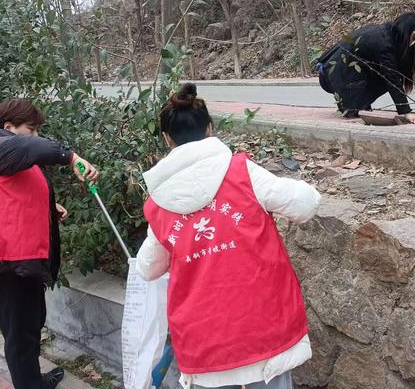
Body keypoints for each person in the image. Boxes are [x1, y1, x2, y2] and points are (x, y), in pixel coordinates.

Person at [135, 83, 321, 389]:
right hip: (264, 334)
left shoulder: (159, 204)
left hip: (204, 345)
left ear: (167, 139)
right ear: (210, 129)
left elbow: (147, 268)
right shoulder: (243, 173)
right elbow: (306, 204)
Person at [0, 99, 99, 389]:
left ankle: (35, 381)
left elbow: (7, 195)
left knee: (30, 326)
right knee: (20, 336)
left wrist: (48, 207)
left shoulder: (9, 159)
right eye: (30, 129)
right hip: (5, 264)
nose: (35, 136)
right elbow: (30, 148)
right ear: (9, 128)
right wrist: (69, 156)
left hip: (19, 261)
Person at [317, 12, 415, 121]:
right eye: (414, 38)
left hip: (334, 71)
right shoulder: (383, 43)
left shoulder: (387, 34)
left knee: (390, 73)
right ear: (406, 31)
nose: (413, 43)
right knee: (354, 113)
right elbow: (391, 78)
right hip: (330, 75)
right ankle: (353, 105)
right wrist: (406, 112)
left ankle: (359, 105)